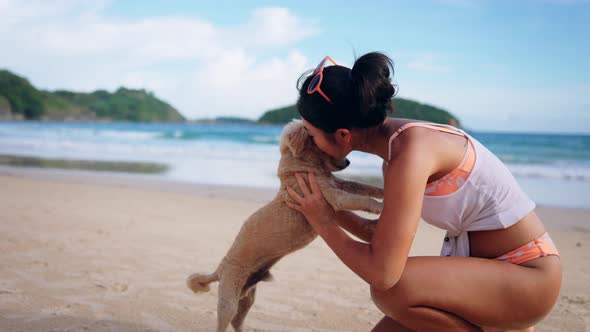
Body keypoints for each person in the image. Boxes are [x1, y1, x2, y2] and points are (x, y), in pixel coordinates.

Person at [284, 52, 562, 331]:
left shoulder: (412, 153)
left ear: (343, 135)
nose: (311, 142)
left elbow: (383, 273)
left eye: (311, 133)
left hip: (527, 278)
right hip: (484, 280)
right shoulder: (395, 152)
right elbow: (377, 236)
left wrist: (323, 222)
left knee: (390, 292)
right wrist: (327, 207)